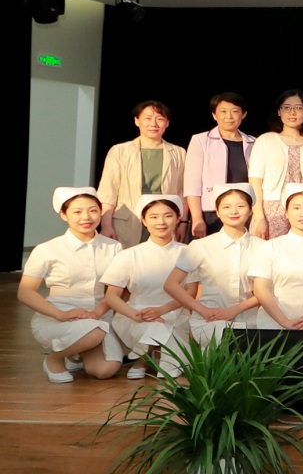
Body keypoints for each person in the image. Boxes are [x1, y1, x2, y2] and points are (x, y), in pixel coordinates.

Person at [19, 187, 124, 382]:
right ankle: (54, 360)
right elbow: (25, 292)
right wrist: (62, 314)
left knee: (104, 370)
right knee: (93, 333)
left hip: (99, 316)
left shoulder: (113, 247)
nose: (86, 217)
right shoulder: (47, 249)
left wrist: (98, 312)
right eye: (77, 212)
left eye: (93, 210)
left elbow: (116, 290)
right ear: (63, 215)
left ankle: (76, 354)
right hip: (58, 317)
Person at [102, 195, 192, 379]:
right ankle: (145, 358)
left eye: (168, 216)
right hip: (137, 315)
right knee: (157, 329)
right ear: (143, 220)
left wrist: (162, 310)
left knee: (163, 329)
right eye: (153, 217)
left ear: (178, 218)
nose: (161, 222)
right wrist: (136, 315)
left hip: (177, 314)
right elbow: (111, 296)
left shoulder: (189, 253)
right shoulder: (128, 255)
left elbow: (191, 292)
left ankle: (142, 359)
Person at [163, 184, 264, 345]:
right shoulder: (200, 246)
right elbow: (171, 284)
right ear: (217, 211)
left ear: (251, 210)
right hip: (209, 320)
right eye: (226, 207)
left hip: (251, 322)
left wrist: (234, 310)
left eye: (240, 206)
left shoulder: (263, 247)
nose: (234, 211)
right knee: (224, 343)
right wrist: (203, 310)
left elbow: (265, 291)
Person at [98, 100, 186, 247]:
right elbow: (108, 192)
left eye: (159, 119)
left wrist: (183, 222)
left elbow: (182, 192)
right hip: (128, 221)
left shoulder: (178, 153)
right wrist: (106, 225)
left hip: (163, 222)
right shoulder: (119, 151)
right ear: (137, 121)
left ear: (167, 123)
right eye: (148, 118)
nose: (153, 123)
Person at [248, 184, 303, 332]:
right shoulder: (268, 247)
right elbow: (260, 289)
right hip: (273, 324)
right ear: (286, 213)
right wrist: (284, 321)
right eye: (296, 208)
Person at [183, 92, 256, 239]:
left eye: (235, 111)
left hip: (243, 213)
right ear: (214, 115)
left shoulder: (254, 142)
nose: (229, 116)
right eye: (223, 111)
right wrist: (197, 218)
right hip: (210, 213)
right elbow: (192, 184)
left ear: (244, 114)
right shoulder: (200, 140)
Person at [248, 91, 303, 240]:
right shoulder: (265, 140)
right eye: (286, 107)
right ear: (279, 111)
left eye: (299, 108)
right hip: (271, 212)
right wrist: (259, 217)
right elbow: (255, 183)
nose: (292, 112)